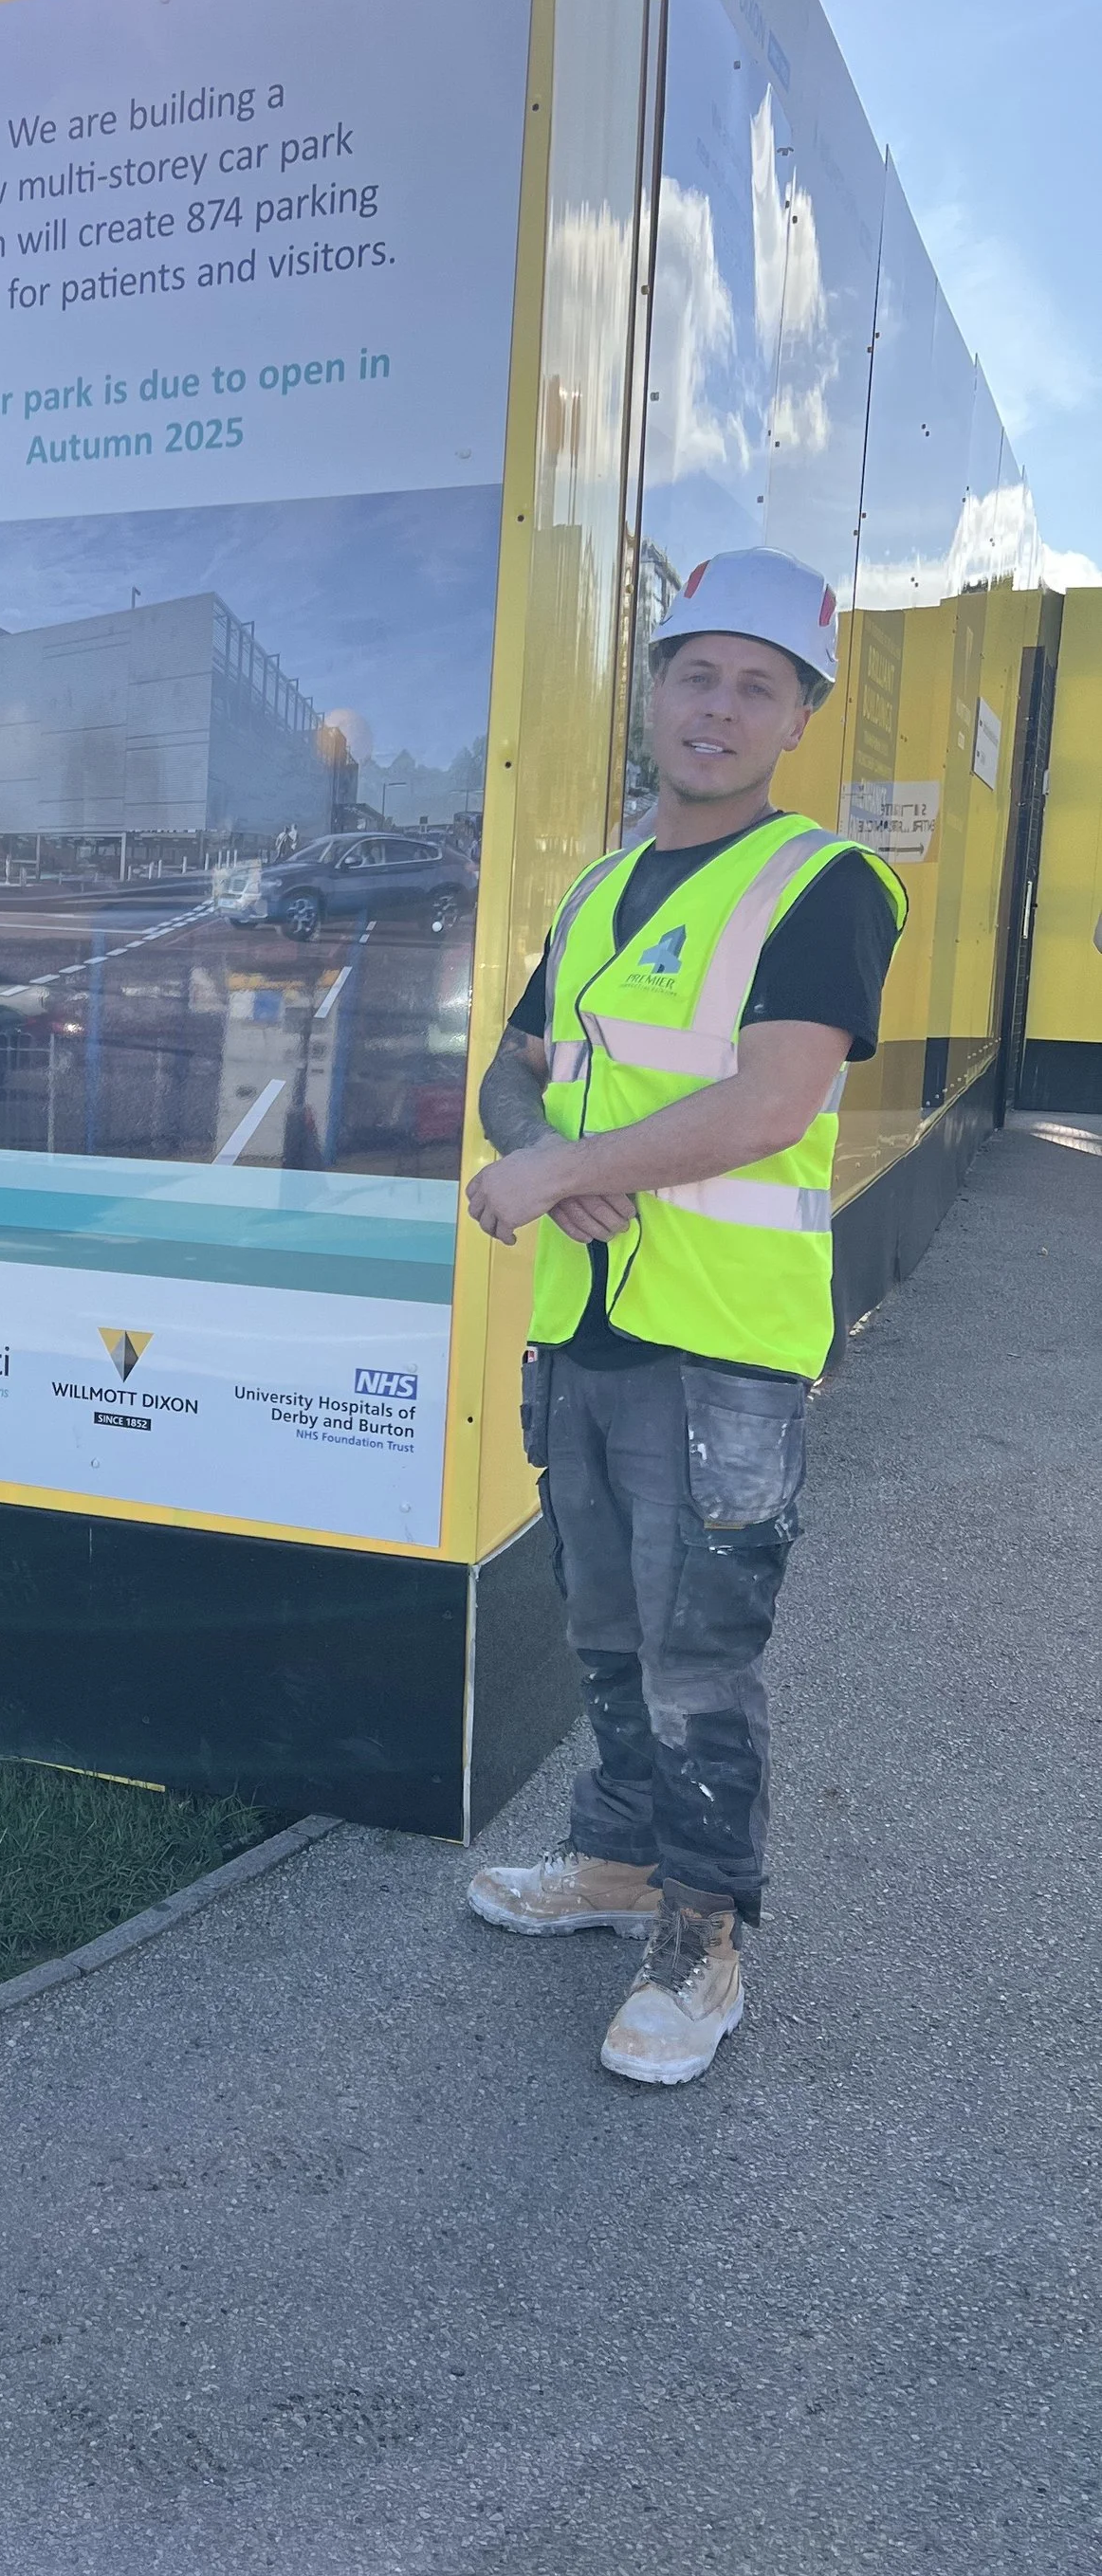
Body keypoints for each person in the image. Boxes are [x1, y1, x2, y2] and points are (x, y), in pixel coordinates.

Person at [462, 548, 907, 2087]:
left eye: (757, 686)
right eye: (695, 673)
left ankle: (702, 1940)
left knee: (700, 1653)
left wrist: (566, 1163)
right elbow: (512, 1062)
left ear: (800, 718)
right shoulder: (604, 881)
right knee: (602, 1630)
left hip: (723, 1347)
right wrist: (541, 1154)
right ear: (651, 689)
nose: (718, 709)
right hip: (590, 1322)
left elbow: (772, 1099)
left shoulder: (824, 885)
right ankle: (617, 1861)